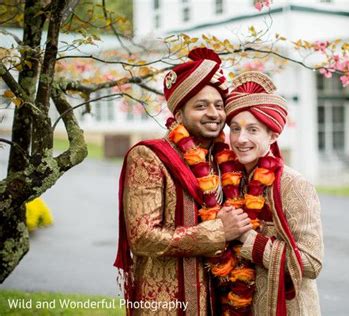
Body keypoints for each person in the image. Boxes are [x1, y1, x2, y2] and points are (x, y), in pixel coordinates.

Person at [114, 48, 253, 315]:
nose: (214, 113)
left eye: (219, 105)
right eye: (201, 106)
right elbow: (142, 238)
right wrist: (218, 232)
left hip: (219, 299)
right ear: (178, 115)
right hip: (168, 302)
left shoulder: (228, 160)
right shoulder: (149, 157)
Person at [223, 71, 324, 315]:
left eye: (253, 130)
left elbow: (312, 263)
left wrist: (248, 240)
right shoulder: (229, 183)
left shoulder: (294, 184)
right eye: (234, 129)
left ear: (273, 135)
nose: (240, 139)